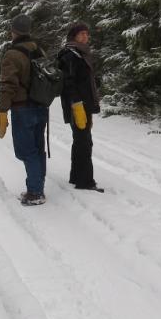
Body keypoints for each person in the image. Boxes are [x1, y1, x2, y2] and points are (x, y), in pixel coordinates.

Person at [0, 13, 49, 206]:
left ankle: (35, 192)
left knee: (27, 152)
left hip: (23, 109)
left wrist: (2, 110)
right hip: (41, 107)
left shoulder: (12, 54)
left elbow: (8, 84)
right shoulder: (39, 50)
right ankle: (38, 186)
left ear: (13, 31)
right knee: (37, 148)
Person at [58, 22, 103, 192]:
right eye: (81, 34)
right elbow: (69, 83)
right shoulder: (70, 55)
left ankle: (76, 176)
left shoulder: (81, 54)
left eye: (87, 34)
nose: (85, 36)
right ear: (73, 37)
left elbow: (83, 79)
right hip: (77, 106)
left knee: (81, 140)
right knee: (84, 142)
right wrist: (76, 105)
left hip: (84, 104)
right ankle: (85, 181)